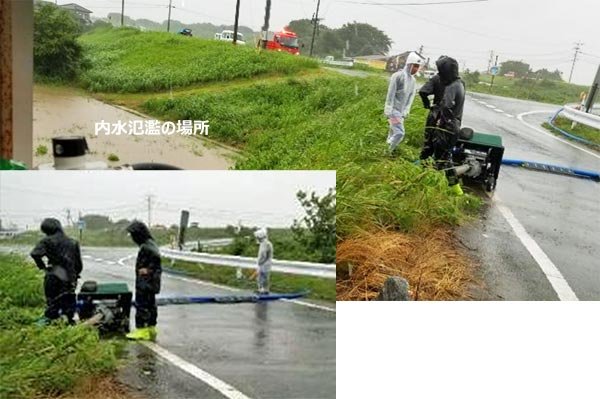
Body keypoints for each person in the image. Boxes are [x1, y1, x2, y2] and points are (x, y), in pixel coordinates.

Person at [423, 56, 466, 195]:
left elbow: (445, 108)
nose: (439, 74)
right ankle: (429, 183)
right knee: (442, 157)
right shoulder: (460, 84)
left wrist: (435, 116)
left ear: (447, 72)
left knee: (443, 160)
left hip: (445, 127)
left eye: (441, 71)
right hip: (454, 125)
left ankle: (455, 190)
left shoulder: (451, 87)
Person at [30, 218, 82, 324]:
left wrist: (43, 267)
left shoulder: (47, 240)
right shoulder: (73, 242)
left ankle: (50, 322)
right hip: (70, 276)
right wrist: (75, 274)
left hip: (55, 273)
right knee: (68, 299)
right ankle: (69, 322)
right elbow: (78, 264)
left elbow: (35, 254)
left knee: (52, 301)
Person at [125, 221, 162, 341]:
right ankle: (151, 327)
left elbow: (150, 266)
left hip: (145, 282)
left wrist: (147, 271)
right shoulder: (152, 244)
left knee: (142, 304)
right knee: (151, 304)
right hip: (153, 282)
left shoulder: (145, 247)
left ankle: (142, 330)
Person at [384, 51, 423, 154]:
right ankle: (386, 149)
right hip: (393, 111)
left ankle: (387, 152)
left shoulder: (413, 81)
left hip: (401, 113)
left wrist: (406, 110)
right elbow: (390, 94)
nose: (416, 69)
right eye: (415, 66)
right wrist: (388, 109)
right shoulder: (397, 76)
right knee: (400, 133)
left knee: (392, 132)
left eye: (418, 66)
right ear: (409, 64)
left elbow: (411, 97)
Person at [419, 55, 448, 160]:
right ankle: (441, 165)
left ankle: (424, 165)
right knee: (446, 144)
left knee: (428, 141)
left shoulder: (436, 79)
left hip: (436, 112)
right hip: (451, 117)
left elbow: (423, 91)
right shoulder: (459, 82)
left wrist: (427, 105)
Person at [254, 228, 273, 295]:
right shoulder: (267, 243)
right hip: (266, 264)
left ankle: (262, 290)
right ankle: (265, 290)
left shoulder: (264, 244)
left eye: (257, 237)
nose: (257, 238)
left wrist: (260, 263)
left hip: (264, 264)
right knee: (265, 278)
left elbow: (263, 255)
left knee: (261, 278)